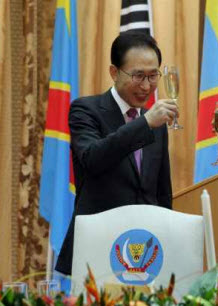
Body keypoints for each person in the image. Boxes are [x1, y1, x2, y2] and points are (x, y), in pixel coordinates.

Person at [56, 31, 178, 275]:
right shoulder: (86, 110)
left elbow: (161, 192)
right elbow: (92, 158)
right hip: (98, 248)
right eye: (138, 76)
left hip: (146, 252)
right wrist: (143, 124)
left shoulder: (156, 123)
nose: (146, 86)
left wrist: (169, 242)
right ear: (114, 72)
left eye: (153, 75)